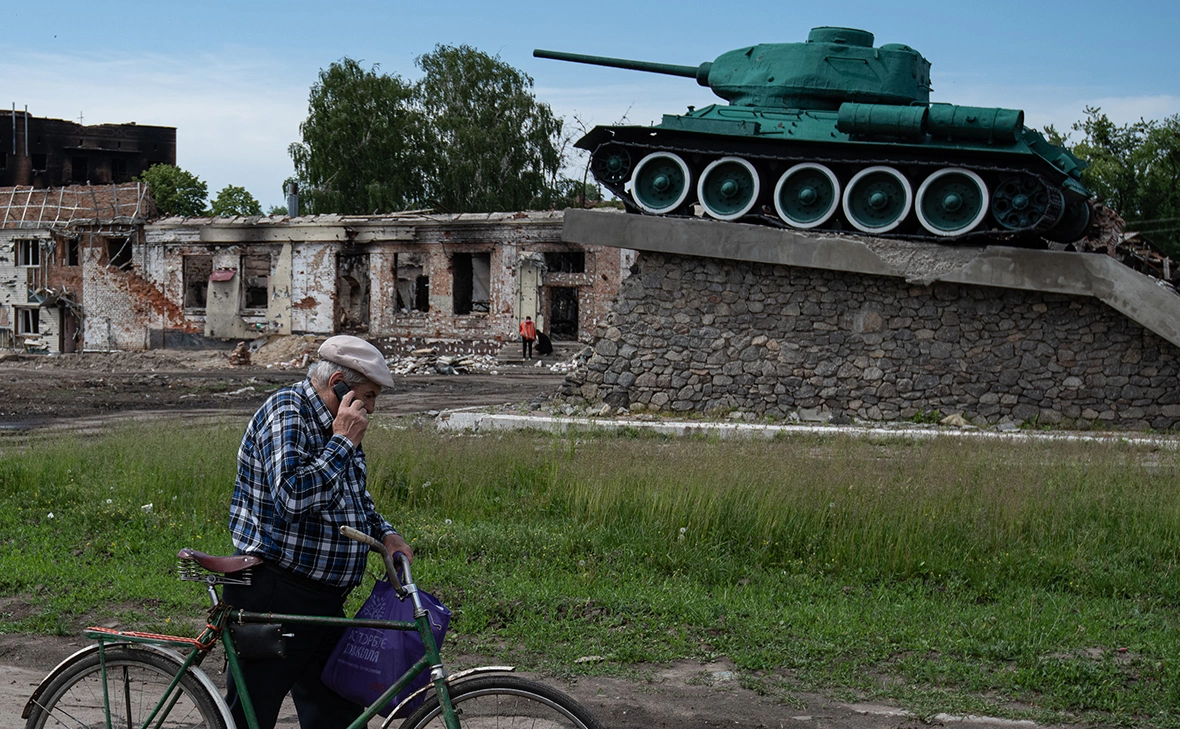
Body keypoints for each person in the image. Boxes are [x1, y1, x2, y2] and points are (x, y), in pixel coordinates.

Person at [224, 334, 413, 729]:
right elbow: (291, 499)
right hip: (276, 591)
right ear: (338, 384)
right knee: (251, 716)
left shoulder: (340, 423)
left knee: (336, 715)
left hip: (324, 601)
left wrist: (387, 533)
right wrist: (342, 442)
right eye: (369, 395)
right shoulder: (288, 411)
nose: (372, 408)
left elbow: (352, 498)